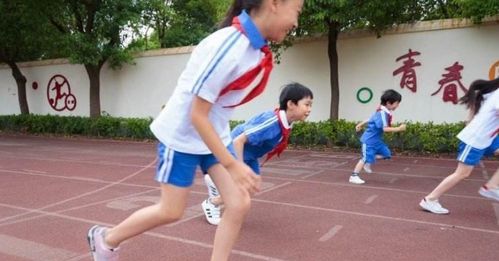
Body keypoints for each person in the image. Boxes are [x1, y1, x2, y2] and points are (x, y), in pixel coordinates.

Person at [86, 1, 304, 260]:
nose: (297, 22)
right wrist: (233, 165)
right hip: (183, 137)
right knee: (171, 211)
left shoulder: (254, 50)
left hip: (213, 135)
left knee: (239, 203)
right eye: (298, 11)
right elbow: (197, 114)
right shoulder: (228, 47)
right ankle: (105, 239)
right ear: (274, 3)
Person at [201, 82, 313, 225]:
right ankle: (212, 203)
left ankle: (216, 186)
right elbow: (237, 141)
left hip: (250, 155)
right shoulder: (271, 122)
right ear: (291, 104)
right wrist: (238, 170)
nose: (309, 109)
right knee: (241, 188)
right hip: (234, 150)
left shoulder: (286, 122)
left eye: (311, 105)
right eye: (307, 104)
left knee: (251, 187)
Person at [419, 77, 499, 214]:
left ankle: (491, 186)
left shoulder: (494, 92)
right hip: (475, 139)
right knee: (462, 173)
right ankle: (430, 199)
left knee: (463, 173)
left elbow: (481, 105)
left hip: (485, 139)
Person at [349, 89, 407, 184]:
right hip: (368, 141)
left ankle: (369, 160)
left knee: (387, 154)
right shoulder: (382, 113)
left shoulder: (382, 110)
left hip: (376, 141)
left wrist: (361, 123)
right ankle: (354, 176)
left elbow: (371, 118)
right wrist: (399, 128)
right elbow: (385, 129)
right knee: (364, 158)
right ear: (389, 103)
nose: (398, 105)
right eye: (397, 103)